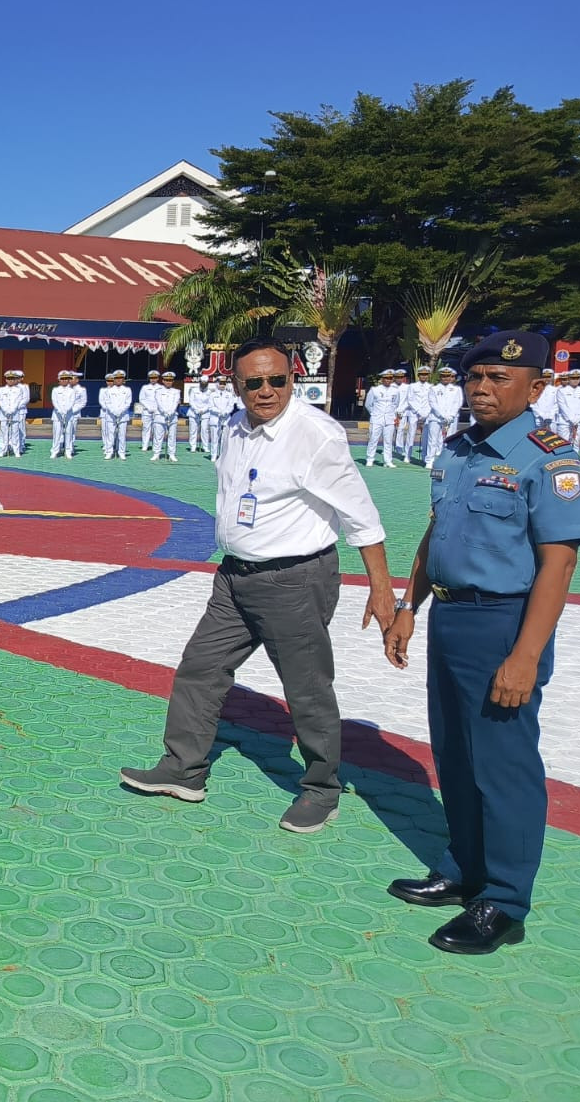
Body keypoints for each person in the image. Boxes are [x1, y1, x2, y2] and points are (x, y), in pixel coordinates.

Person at [121, 336, 395, 834]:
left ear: (293, 379)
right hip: (234, 577)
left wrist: (381, 590)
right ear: (235, 384)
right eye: (254, 382)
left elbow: (362, 518)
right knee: (200, 669)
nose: (266, 391)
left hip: (294, 580)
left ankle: (321, 789)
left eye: (278, 380)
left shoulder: (316, 434)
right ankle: (183, 769)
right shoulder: (234, 427)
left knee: (306, 687)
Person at [382, 331, 580, 954]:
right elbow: (435, 535)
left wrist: (524, 656)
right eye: (475, 378)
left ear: (537, 387)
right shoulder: (457, 450)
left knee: (504, 766)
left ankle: (503, 901)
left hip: (505, 623)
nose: (482, 389)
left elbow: (558, 565)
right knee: (455, 756)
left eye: (500, 378)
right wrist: (405, 607)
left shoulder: (547, 460)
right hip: (449, 619)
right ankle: (463, 868)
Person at [427, 365, 464, 466]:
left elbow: (458, 403)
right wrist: (442, 415)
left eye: (448, 376)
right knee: (433, 440)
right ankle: (429, 460)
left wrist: (451, 415)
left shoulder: (456, 389)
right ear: (440, 377)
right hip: (436, 418)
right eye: (443, 376)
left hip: (451, 418)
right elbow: (433, 403)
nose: (446, 378)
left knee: (449, 440)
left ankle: (446, 461)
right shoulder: (434, 389)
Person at [364, 369, 398, 467]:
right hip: (376, 419)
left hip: (389, 419)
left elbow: (395, 404)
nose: (388, 380)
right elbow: (368, 404)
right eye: (386, 378)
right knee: (373, 439)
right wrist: (374, 413)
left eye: (390, 378)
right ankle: (370, 458)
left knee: (388, 441)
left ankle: (388, 461)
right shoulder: (375, 390)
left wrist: (392, 415)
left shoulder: (395, 391)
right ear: (382, 379)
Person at [99, 369, 132, 460]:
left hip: (123, 415)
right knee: (111, 434)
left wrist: (120, 411)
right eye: (116, 378)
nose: (118, 380)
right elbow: (107, 402)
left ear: (123, 379)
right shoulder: (108, 391)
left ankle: (121, 452)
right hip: (111, 415)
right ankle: (109, 452)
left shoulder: (127, 390)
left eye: (120, 378)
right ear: (114, 379)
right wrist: (114, 412)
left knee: (122, 435)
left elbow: (128, 403)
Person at [149, 371, 179, 462]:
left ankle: (171, 454)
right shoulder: (158, 391)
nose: (168, 382)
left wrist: (171, 411)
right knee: (158, 436)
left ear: (173, 381)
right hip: (160, 416)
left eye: (170, 380)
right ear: (163, 381)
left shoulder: (176, 392)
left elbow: (175, 402)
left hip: (172, 416)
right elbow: (159, 403)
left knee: (172, 436)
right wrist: (164, 411)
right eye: (166, 380)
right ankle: (156, 453)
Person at [556, 368, 580, 447]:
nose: (575, 380)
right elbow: (563, 407)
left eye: (577, 378)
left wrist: (578, 419)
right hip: (565, 422)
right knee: (563, 444)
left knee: (576, 444)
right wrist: (572, 420)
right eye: (573, 378)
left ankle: (575, 459)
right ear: (569, 379)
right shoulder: (561, 391)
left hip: (579, 421)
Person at [0, 371, 26, 456]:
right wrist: (6, 410)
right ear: (6, 380)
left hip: (15, 414)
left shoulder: (19, 390)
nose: (10, 380)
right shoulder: (2, 390)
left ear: (14, 380)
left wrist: (12, 410)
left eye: (12, 379)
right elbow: (0, 401)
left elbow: (18, 401)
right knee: (3, 433)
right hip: (4, 414)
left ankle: (16, 451)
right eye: (8, 379)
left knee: (15, 433)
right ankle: (2, 451)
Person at [138, 370, 160, 452]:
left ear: (158, 378)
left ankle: (156, 446)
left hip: (157, 411)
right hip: (147, 411)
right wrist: (148, 407)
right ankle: (145, 446)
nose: (153, 379)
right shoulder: (145, 387)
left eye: (155, 378)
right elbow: (141, 399)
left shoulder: (161, 388)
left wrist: (157, 408)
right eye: (151, 378)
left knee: (157, 429)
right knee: (146, 429)